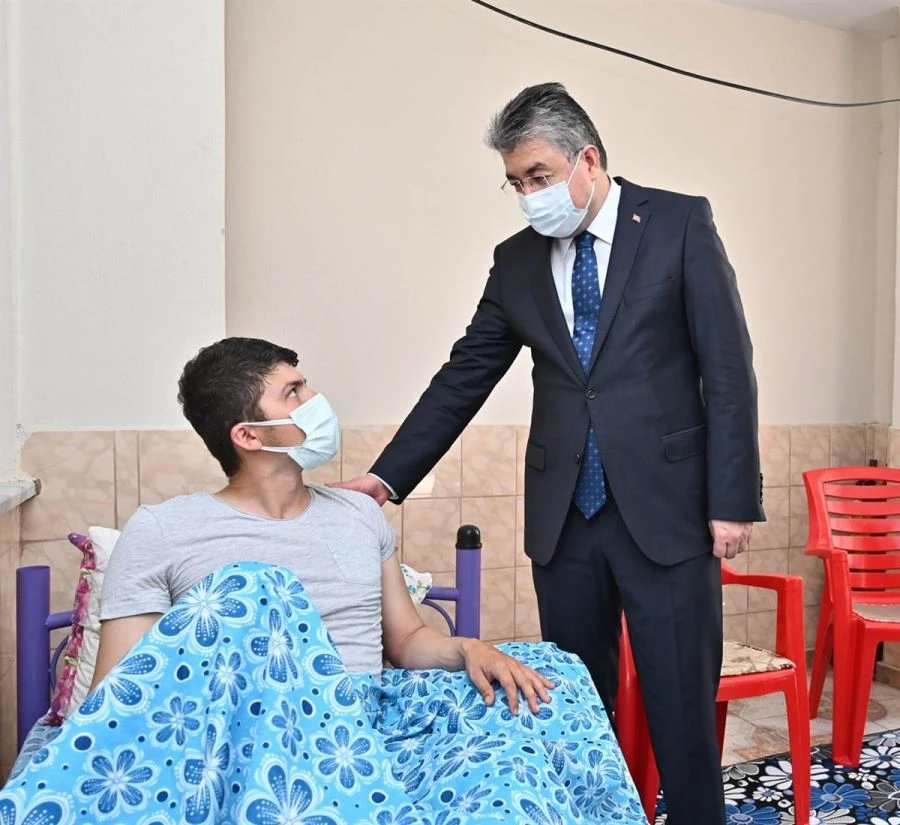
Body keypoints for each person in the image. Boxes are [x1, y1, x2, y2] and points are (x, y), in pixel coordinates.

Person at [338, 82, 765, 825]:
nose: (528, 196)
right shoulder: (516, 262)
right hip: (566, 518)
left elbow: (727, 368)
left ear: (588, 160)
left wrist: (731, 499)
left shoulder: (678, 222)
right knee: (576, 712)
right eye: (515, 183)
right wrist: (386, 476)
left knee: (681, 714)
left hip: (668, 511)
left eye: (538, 176)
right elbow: (464, 376)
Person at [2, 336, 646, 824]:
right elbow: (123, 692)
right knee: (256, 589)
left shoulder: (358, 515)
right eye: (294, 393)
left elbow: (407, 642)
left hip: (364, 722)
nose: (316, 401)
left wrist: (470, 648)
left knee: (550, 677)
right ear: (248, 435)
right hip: (249, 737)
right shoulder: (164, 530)